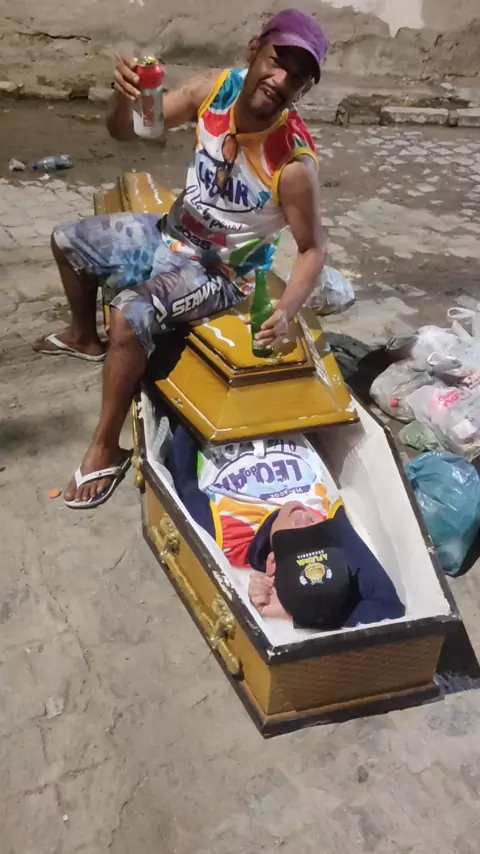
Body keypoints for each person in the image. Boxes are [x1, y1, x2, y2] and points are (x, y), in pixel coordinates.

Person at [34, 9, 329, 509]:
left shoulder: (293, 161)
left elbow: (313, 248)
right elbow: (130, 131)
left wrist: (285, 311)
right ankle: (84, 339)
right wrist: (125, 96)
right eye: (278, 61)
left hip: (221, 271)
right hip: (170, 233)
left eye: (298, 77)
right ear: (254, 49)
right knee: (67, 241)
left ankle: (105, 448)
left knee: (130, 313)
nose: (282, 81)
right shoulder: (215, 89)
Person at [166, 425, 405, 631]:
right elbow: (388, 607)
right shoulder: (330, 522)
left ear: (272, 562)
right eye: (317, 533)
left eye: (298, 537)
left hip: (214, 423)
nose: (304, 519)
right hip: (283, 410)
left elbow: (182, 475)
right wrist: (305, 613)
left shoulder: (229, 535)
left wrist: (289, 611)